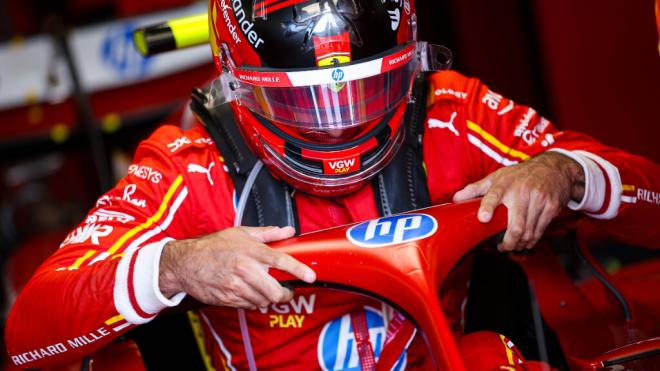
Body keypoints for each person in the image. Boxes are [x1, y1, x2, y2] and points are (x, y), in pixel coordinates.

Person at [5, 0, 660, 369]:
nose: (338, 127)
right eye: (302, 105)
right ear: (238, 89)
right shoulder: (189, 163)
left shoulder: (452, 113)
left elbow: (651, 200)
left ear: (410, 65)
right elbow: (27, 332)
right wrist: (174, 265)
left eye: (367, 90)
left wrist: (565, 174)